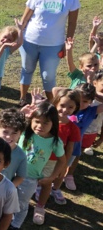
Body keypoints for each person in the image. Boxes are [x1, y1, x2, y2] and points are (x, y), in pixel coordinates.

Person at [17, 0, 80, 104]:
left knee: (48, 76)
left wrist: (67, 43)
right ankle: (22, 98)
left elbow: (72, 23)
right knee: (27, 70)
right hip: (30, 40)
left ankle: (52, 103)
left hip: (54, 44)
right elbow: (25, 19)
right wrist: (20, 36)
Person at [5, 100, 65, 230]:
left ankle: (15, 227)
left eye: (46, 123)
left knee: (22, 204)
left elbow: (62, 161)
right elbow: (7, 122)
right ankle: (4, 219)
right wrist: (21, 112)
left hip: (30, 179)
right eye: (37, 121)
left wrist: (52, 177)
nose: (40, 126)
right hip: (10, 174)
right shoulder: (25, 130)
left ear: (54, 124)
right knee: (6, 197)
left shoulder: (55, 142)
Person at [32, 89, 80, 220]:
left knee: (47, 183)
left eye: (70, 107)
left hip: (55, 161)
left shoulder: (73, 128)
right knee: (36, 178)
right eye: (62, 105)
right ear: (56, 103)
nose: (65, 110)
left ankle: (40, 207)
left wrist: (64, 165)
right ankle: (35, 190)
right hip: (37, 157)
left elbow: (70, 148)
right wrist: (36, 103)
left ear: (76, 108)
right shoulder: (45, 121)